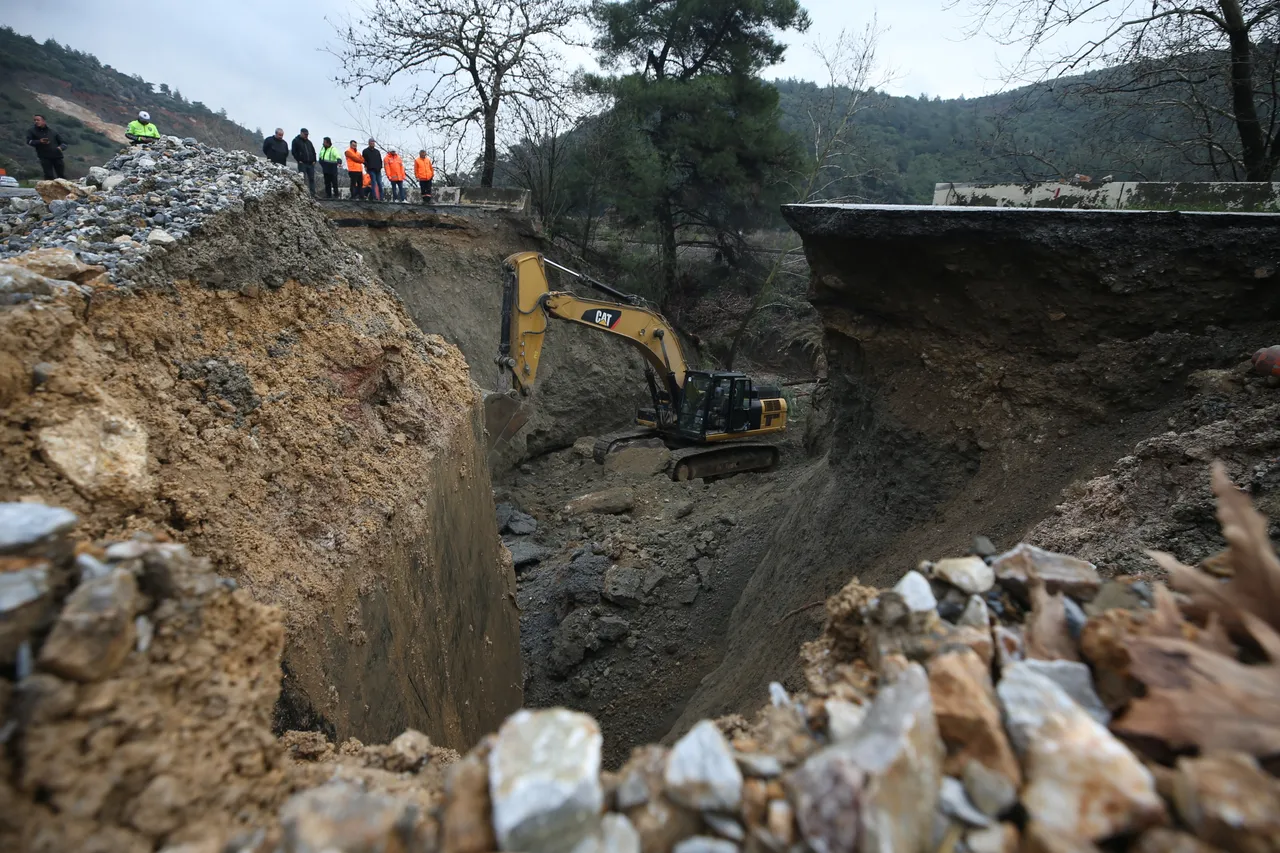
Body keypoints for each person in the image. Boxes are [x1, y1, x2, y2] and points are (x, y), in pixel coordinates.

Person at [26, 115, 67, 179]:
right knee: (49, 175)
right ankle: (49, 188)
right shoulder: (31, 131)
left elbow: (64, 143)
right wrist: (39, 141)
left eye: (38, 120)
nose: (36, 121)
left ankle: (62, 188)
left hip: (57, 156)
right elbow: (29, 141)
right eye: (35, 120)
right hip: (44, 157)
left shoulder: (53, 132)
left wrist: (61, 148)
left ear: (43, 121)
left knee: (61, 175)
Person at [291, 128, 317, 196]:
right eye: (305, 134)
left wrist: (314, 160)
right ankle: (303, 194)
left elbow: (313, 151)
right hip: (302, 163)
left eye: (307, 134)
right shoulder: (296, 141)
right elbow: (294, 152)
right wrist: (298, 159)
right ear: (301, 133)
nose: (306, 136)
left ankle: (313, 193)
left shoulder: (309, 142)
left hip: (311, 163)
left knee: (311, 179)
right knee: (302, 179)